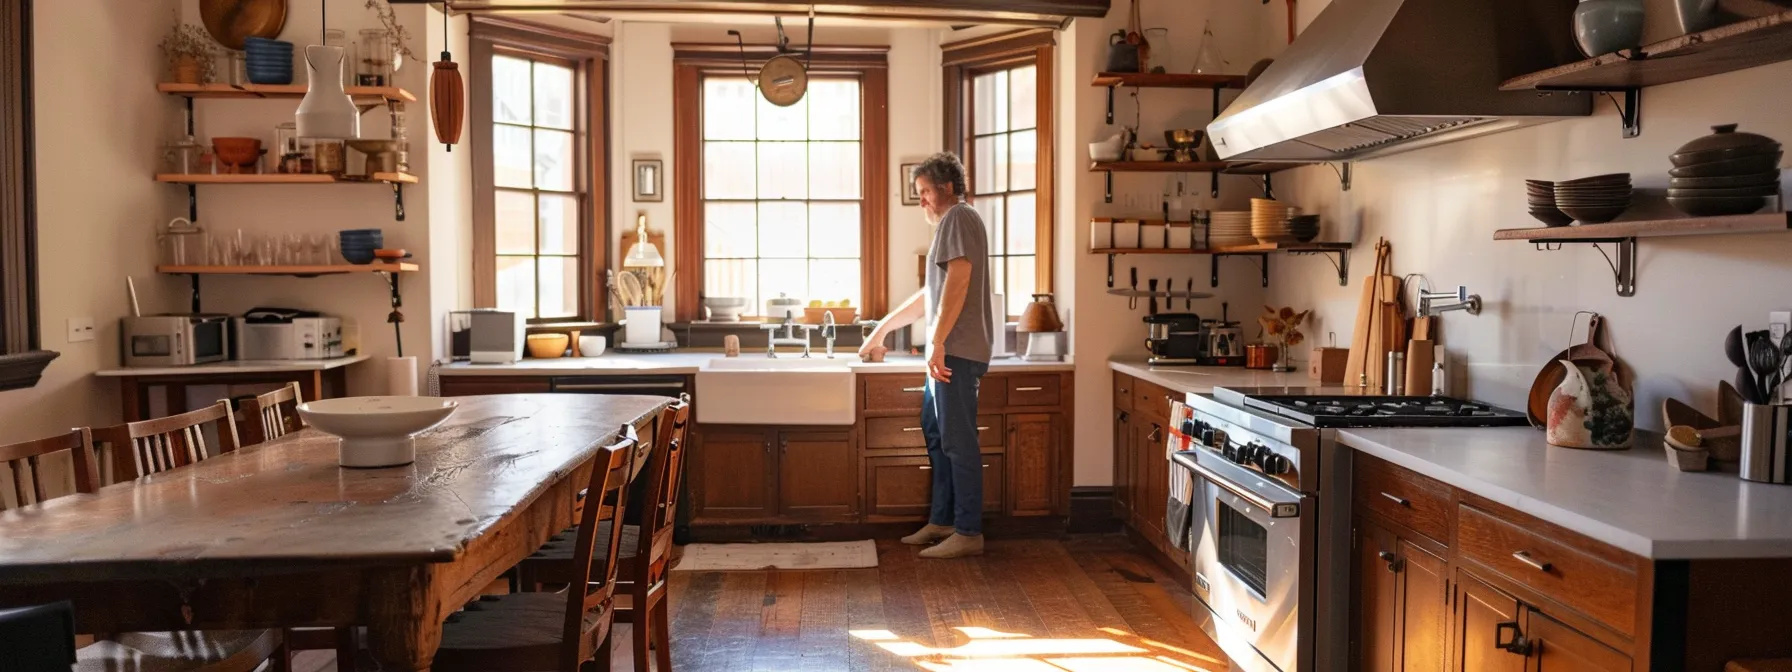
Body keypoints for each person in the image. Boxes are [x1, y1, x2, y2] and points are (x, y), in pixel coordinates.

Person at [860, 152, 993, 559]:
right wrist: (882, 329)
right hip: (947, 351)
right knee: (938, 437)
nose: (921, 202)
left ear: (947, 188)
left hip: (956, 351)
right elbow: (929, 296)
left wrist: (938, 342)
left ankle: (969, 531)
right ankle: (944, 520)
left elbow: (960, 277)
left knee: (958, 441)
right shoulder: (951, 227)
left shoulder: (959, 217)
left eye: (924, 193)